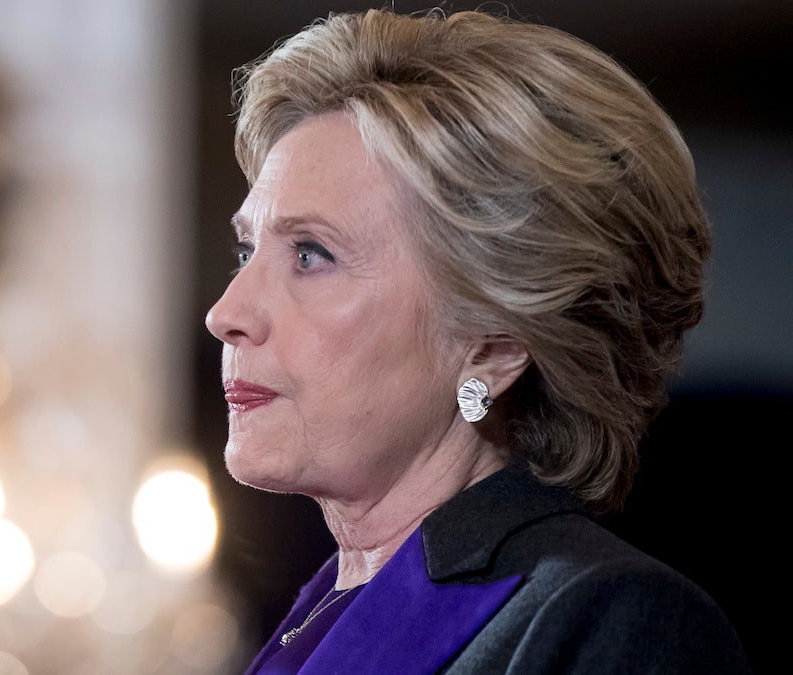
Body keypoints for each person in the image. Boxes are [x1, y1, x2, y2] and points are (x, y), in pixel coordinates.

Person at [204, 8, 751, 674]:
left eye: (312, 254)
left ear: (493, 345)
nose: (227, 313)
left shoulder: (618, 622)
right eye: (245, 252)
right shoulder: (318, 615)